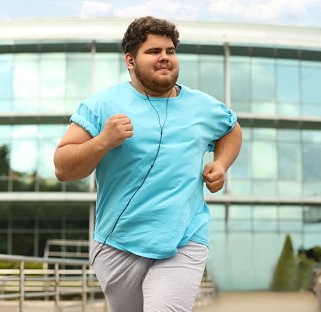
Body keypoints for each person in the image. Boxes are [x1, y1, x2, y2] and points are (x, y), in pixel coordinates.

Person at [54, 16, 242, 312]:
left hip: (185, 237)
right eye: (154, 51)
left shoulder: (203, 107)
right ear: (130, 60)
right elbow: (63, 167)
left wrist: (221, 165)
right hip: (118, 242)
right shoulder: (102, 105)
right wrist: (103, 141)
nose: (165, 58)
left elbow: (232, 129)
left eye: (170, 51)